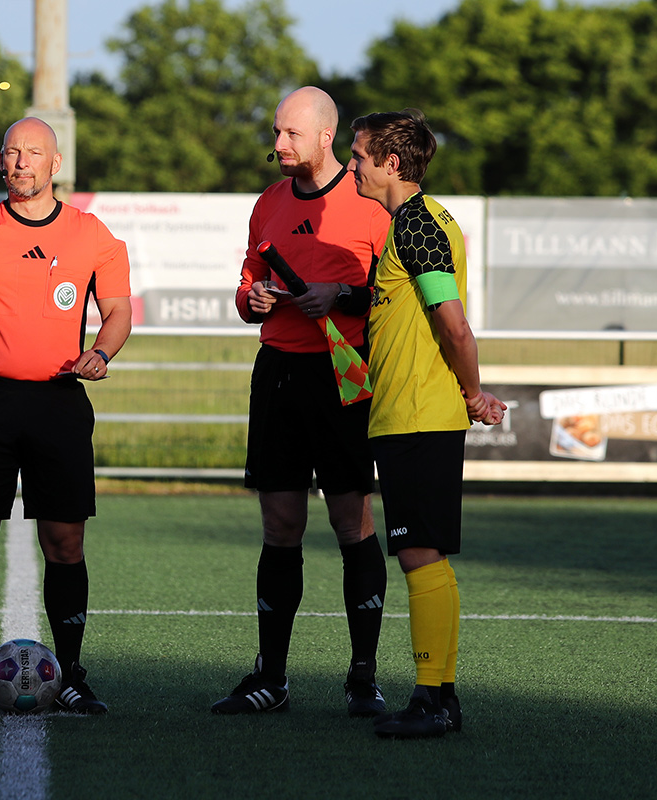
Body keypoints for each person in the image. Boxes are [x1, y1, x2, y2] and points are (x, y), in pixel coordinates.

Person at [0, 117, 132, 715]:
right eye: (11, 153)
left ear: (54, 163)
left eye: (32, 153)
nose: (19, 163)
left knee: (65, 543)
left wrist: (100, 351)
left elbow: (118, 312)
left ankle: (71, 676)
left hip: (59, 401)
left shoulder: (91, 233)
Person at [212, 86, 391, 717]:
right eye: (277, 132)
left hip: (342, 377)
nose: (278, 144)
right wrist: (253, 299)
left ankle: (363, 678)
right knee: (281, 526)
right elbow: (246, 283)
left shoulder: (371, 206)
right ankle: (272, 677)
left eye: (290, 134)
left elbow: (389, 296)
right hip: (280, 374)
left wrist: (339, 294)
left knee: (352, 524)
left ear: (325, 137)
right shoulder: (267, 203)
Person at [347, 108, 506, 738]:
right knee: (425, 554)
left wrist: (472, 393)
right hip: (408, 414)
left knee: (420, 555)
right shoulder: (414, 223)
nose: (352, 165)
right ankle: (439, 696)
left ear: (390, 163)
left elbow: (453, 323)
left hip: (418, 415)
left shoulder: (415, 224)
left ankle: (433, 700)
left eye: (358, 155)